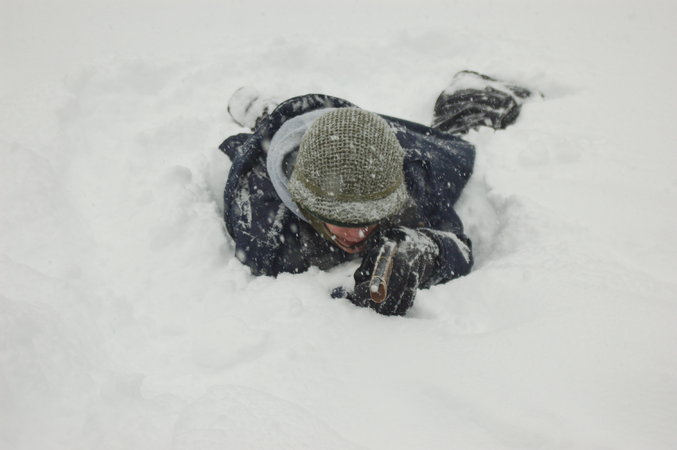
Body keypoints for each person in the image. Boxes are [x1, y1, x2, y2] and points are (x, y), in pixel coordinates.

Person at [219, 71, 531, 316]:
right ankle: (261, 110)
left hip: (347, 127)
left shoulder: (400, 172)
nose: (360, 233)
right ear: (310, 210)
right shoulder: (267, 232)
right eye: (344, 220)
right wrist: (352, 296)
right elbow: (301, 309)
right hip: (286, 148)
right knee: (267, 129)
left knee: (444, 155)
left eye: (372, 216)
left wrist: (425, 254)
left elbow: (459, 248)